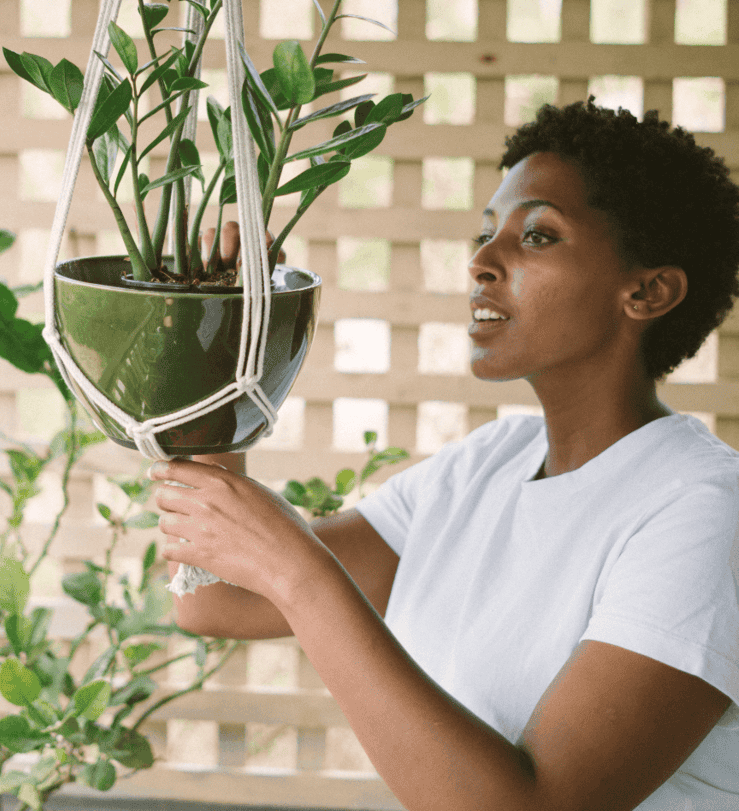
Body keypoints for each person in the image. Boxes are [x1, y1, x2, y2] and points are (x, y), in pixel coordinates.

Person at [150, 98, 739, 811]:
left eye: (539, 236)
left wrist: (299, 570)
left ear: (646, 291)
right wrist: (225, 342)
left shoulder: (706, 513)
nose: (482, 262)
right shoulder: (485, 466)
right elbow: (217, 599)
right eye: (487, 233)